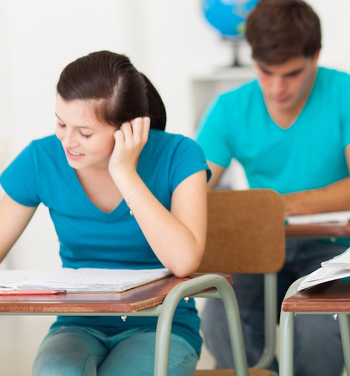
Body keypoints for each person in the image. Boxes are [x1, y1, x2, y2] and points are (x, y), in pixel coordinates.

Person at [196, 0, 350, 376]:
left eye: (291, 74)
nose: (276, 87)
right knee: (219, 318)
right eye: (265, 72)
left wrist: (275, 205)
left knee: (315, 326)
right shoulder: (229, 108)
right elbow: (192, 189)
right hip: (263, 247)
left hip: (339, 251)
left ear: (315, 56)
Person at [0, 51, 210, 376]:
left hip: (161, 324)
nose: (67, 141)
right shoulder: (41, 158)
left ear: (129, 129)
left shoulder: (180, 155)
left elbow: (183, 261)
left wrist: (125, 172)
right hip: (76, 325)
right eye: (61, 123)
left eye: (85, 133)